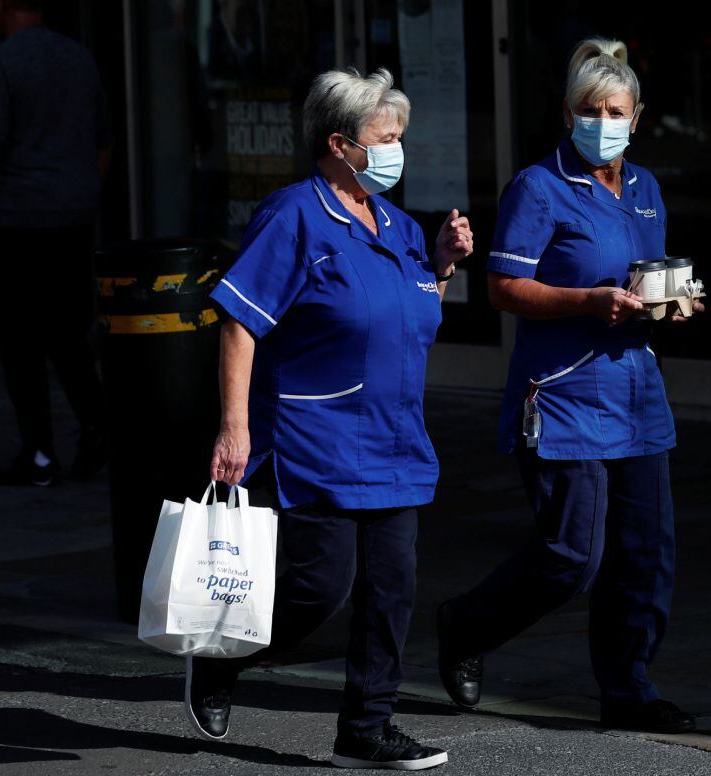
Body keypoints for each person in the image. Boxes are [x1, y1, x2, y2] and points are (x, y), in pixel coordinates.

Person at [188, 67, 472, 770]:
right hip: (319, 438)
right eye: (386, 137)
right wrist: (233, 426)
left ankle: (366, 730)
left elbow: (407, 316)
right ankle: (222, 659)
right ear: (340, 143)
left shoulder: (401, 227)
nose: (397, 149)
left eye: (400, 136)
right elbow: (239, 320)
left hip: (396, 439)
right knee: (319, 587)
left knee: (392, 590)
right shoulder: (294, 215)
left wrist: (440, 267)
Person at [437, 37, 702, 734]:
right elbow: (502, 288)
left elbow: (644, 276)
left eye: (616, 110)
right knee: (570, 556)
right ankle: (465, 626)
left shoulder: (646, 189)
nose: (603, 121)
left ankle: (629, 689)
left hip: (637, 393)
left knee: (643, 554)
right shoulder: (538, 186)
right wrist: (588, 301)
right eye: (591, 110)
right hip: (563, 396)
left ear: (637, 118)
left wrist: (672, 303)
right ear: (567, 113)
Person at [0, 0, 113, 486]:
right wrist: (83, 194)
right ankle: (97, 425)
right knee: (66, 334)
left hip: (21, 218)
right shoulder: (79, 57)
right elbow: (103, 140)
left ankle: (38, 451)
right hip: (73, 217)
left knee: (20, 342)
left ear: (2, 8)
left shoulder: (1, 61)